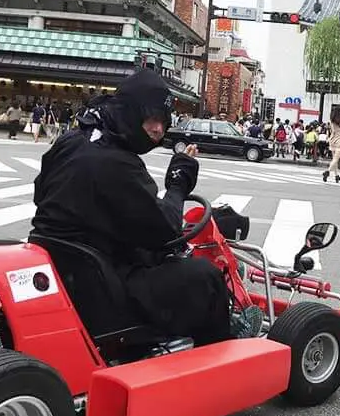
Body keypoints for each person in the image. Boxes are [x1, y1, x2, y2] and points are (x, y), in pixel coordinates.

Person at [30, 69, 262, 345]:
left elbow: (42, 193)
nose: (158, 130)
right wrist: (178, 184)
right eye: (152, 119)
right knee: (205, 277)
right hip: (109, 292)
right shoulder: (117, 162)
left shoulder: (70, 142)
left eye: (164, 122)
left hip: (68, 275)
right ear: (130, 111)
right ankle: (221, 348)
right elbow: (166, 231)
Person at [322, 105, 340, 183]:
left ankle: (337, 176)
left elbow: (331, 131)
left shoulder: (332, 121)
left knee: (334, 159)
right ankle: (327, 171)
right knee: (336, 159)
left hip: (332, 140)